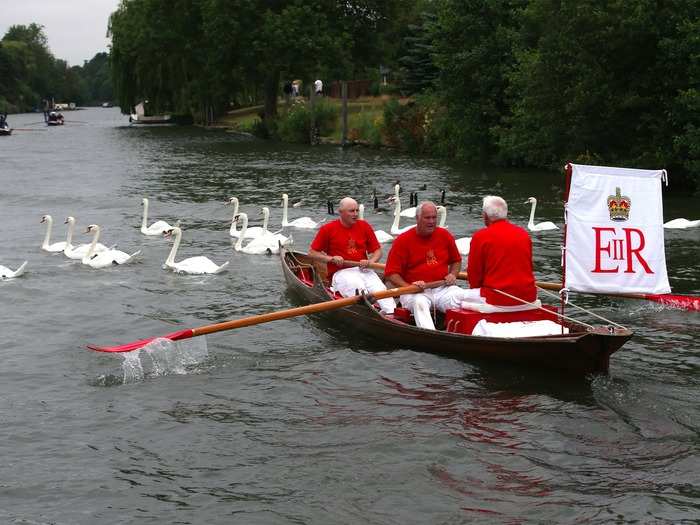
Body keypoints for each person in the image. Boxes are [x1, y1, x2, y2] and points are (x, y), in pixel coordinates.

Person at [384, 201, 471, 330]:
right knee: (420, 303)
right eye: (427, 218)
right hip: (414, 292)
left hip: (442, 288)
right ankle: (431, 335)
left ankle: (469, 332)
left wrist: (453, 274)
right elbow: (391, 273)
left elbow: (456, 261)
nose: (431, 221)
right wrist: (409, 287)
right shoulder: (402, 240)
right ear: (417, 218)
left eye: (434, 217)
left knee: (465, 298)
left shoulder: (445, 235)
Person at [309, 197, 395, 314]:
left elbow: (378, 251)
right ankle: (373, 314)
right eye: (351, 211)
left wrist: (371, 262)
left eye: (356, 211)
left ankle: (391, 314)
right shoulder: (328, 229)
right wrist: (331, 258)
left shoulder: (364, 226)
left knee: (383, 293)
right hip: (341, 273)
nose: (355, 214)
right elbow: (312, 253)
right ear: (341, 212)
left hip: (364, 270)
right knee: (359, 290)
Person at [465, 195, 537, 306]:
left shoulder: (480, 236)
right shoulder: (523, 234)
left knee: (452, 297)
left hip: (496, 298)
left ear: (485, 216)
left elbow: (474, 276)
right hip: (529, 296)